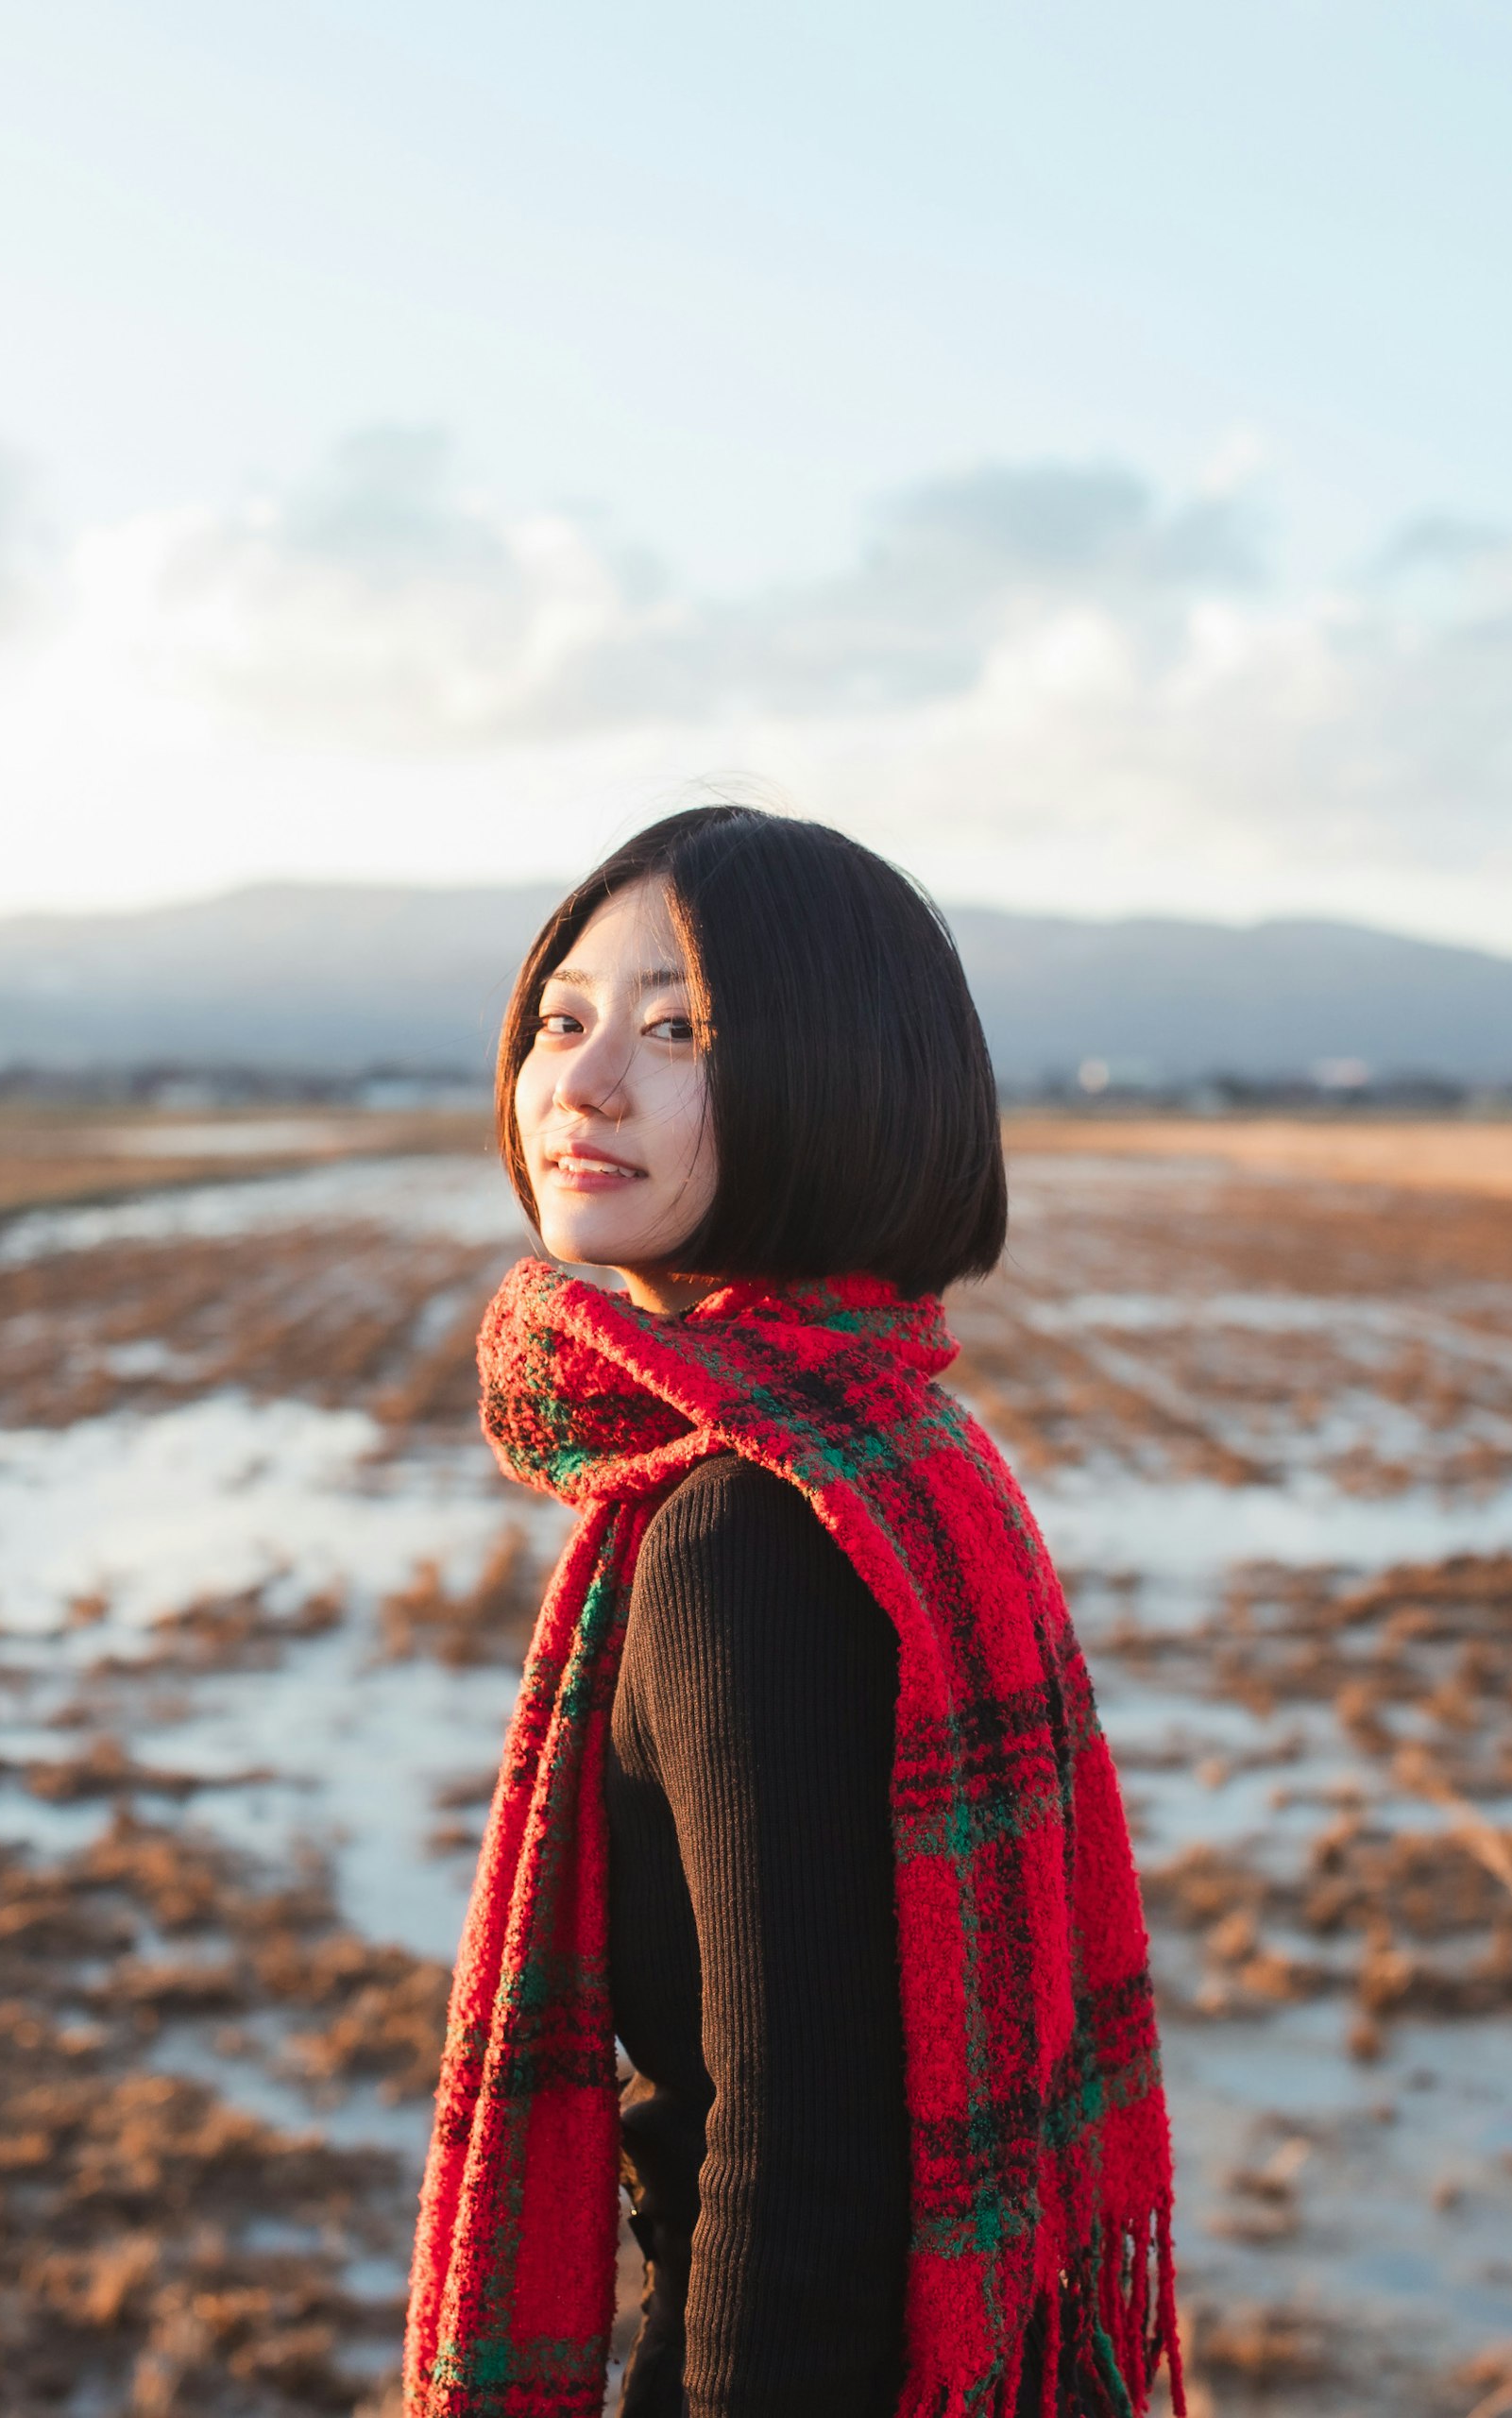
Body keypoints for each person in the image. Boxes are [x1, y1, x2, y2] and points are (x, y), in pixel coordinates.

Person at [403, 806, 1179, 2418]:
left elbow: (799, 2179)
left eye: (677, 1029)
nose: (585, 1082)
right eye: (564, 1019)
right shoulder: (897, 1452)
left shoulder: (746, 1538)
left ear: (831, 1073)